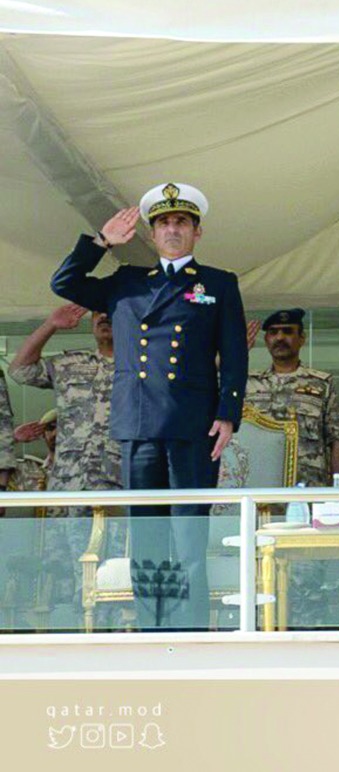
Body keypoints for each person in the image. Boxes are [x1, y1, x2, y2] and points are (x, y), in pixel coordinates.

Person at [50, 183, 248, 631]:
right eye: (163, 223)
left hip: (193, 426)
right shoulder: (128, 282)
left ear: (197, 232)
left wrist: (228, 412)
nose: (172, 229)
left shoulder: (217, 283)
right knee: (148, 538)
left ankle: (193, 633)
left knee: (189, 536)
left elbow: (234, 353)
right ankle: (154, 630)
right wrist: (102, 243)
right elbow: (64, 283)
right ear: (152, 234)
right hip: (138, 424)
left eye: (181, 222)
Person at [9, 305, 121, 609]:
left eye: (111, 311)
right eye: (98, 312)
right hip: (68, 484)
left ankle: (110, 637)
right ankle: (71, 631)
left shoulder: (144, 365)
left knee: (112, 572)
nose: (103, 317)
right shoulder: (72, 362)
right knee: (63, 571)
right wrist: (50, 325)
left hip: (118, 485)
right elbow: (19, 369)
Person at [246, 309, 339, 487]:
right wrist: (235, 352)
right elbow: (201, 379)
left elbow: (338, 438)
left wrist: (336, 492)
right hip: (259, 486)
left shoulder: (321, 384)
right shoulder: (247, 383)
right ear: (266, 340)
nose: (279, 338)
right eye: (273, 332)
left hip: (308, 487)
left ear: (302, 338)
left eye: (287, 331)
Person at [12, 409, 57, 494]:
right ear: (43, 433)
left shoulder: (86, 469)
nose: (55, 433)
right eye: (50, 428)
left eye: (63, 428)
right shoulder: (29, 471)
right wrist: (13, 438)